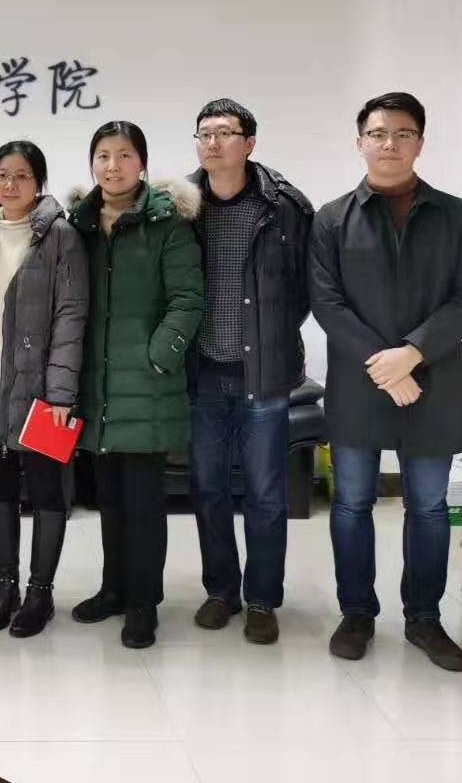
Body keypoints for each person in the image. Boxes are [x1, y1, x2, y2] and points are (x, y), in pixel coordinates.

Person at [310, 92, 462, 672]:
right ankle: (356, 614)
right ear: (360, 141)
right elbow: (327, 303)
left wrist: (411, 354)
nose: (390, 144)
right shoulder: (332, 219)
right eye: (379, 133)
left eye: (403, 133)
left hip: (432, 381)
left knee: (430, 507)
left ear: (420, 142)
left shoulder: (456, 216)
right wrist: (384, 365)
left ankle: (425, 619)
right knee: (351, 502)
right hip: (358, 384)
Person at [66, 120, 203, 649]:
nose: (113, 165)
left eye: (124, 155)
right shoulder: (79, 224)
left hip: (146, 382)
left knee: (144, 504)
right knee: (110, 499)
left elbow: (187, 300)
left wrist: (159, 357)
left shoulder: (166, 223)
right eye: (103, 155)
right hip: (96, 385)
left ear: (141, 163)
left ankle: (144, 602)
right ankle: (114, 589)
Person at [0, 140, 88, 639]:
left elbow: (71, 316)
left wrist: (61, 393)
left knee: (48, 489)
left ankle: (40, 592)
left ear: (39, 182)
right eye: (2, 175)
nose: (10, 184)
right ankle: (5, 584)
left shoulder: (61, 237)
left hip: (45, 394)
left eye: (22, 175)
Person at [186, 99, 313, 646]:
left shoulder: (285, 206)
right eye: (204, 134)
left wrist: (269, 337)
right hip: (203, 373)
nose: (212, 143)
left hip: (265, 374)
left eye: (224, 133)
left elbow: (306, 290)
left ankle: (262, 599)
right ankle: (221, 591)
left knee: (264, 493)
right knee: (208, 489)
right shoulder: (182, 205)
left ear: (250, 144)